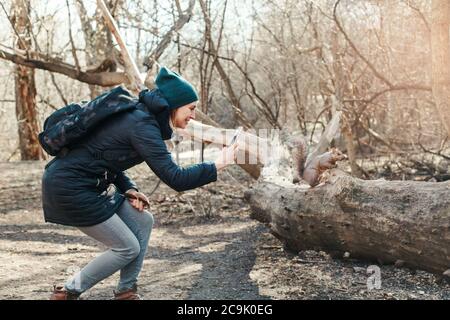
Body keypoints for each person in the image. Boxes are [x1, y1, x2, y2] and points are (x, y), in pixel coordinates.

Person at [42, 67, 239, 300]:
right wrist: (216, 165)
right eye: (191, 108)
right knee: (127, 248)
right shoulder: (142, 125)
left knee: (142, 220)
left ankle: (126, 290)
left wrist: (130, 188)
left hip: (86, 183)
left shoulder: (140, 117)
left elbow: (104, 158)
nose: (194, 115)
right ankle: (69, 290)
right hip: (70, 189)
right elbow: (176, 178)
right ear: (175, 105)